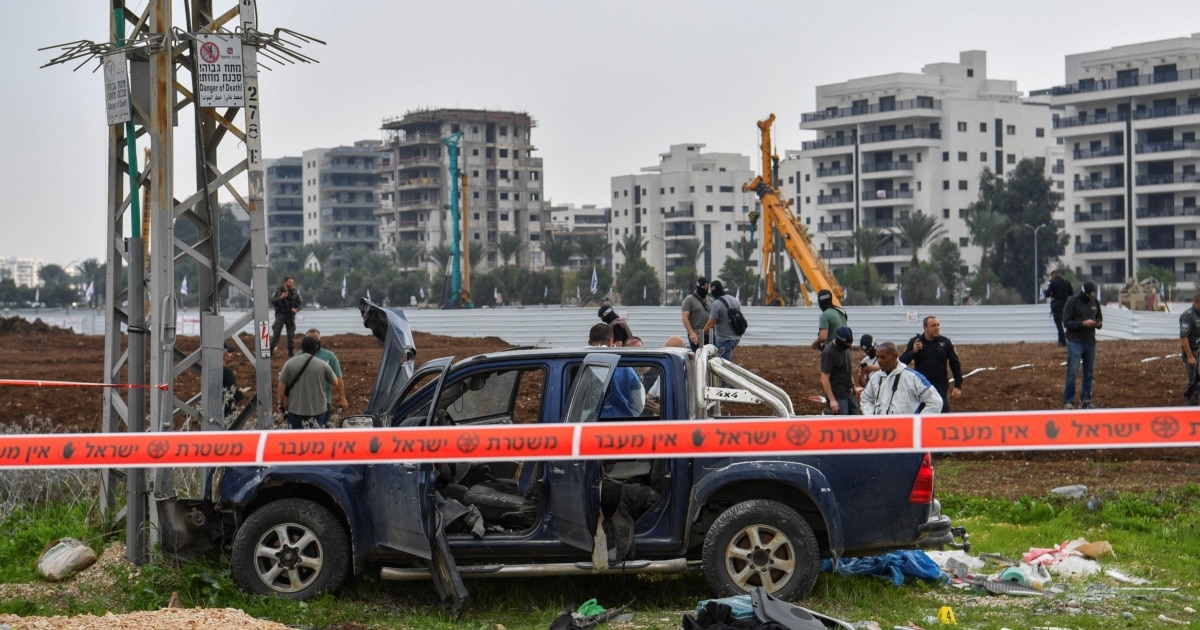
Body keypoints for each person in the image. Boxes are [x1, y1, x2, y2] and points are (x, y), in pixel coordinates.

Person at [276, 335, 342, 429]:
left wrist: (280, 403)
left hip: (296, 409)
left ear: (302, 347)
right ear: (315, 348)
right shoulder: (322, 365)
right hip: (318, 410)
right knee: (316, 439)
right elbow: (336, 382)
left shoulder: (290, 363)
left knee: (295, 438)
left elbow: (281, 385)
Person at [899, 316, 963, 412]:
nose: (937, 328)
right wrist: (913, 351)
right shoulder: (916, 342)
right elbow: (901, 362)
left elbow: (955, 364)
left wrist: (958, 386)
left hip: (940, 384)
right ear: (925, 328)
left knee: (942, 408)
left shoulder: (945, 342)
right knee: (921, 411)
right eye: (933, 325)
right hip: (920, 385)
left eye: (938, 325)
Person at [861, 341, 944, 415]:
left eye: (883, 357)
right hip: (882, 430)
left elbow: (936, 401)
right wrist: (871, 418)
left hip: (905, 430)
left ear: (895, 357)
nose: (879, 361)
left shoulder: (912, 377)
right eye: (877, 357)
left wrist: (918, 422)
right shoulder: (875, 378)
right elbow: (866, 399)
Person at [586, 323, 645, 418]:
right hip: (621, 426)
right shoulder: (626, 367)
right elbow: (638, 405)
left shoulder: (585, 367)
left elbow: (581, 404)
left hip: (593, 425)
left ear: (589, 343)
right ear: (611, 341)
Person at [1062, 281, 1103, 409]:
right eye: (1088, 295)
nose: (1090, 297)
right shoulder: (1072, 302)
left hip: (1090, 342)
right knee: (1072, 373)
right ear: (1083, 292)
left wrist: (1098, 323)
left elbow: (1100, 319)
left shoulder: (1095, 303)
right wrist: (1082, 324)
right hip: (1075, 342)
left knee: (1088, 374)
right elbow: (1067, 322)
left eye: (1092, 295)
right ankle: (1068, 401)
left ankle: (1086, 401)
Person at [305, 328, 350, 414]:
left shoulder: (329, 356)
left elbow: (338, 378)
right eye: (310, 339)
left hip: (323, 402)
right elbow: (287, 380)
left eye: (316, 339)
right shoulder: (298, 357)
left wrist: (342, 397)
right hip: (302, 403)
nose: (313, 342)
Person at [820, 326, 860, 415]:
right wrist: (832, 400)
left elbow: (847, 369)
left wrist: (853, 387)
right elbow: (824, 378)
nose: (849, 346)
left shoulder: (846, 349)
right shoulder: (829, 353)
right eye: (847, 345)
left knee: (856, 417)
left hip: (848, 392)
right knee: (843, 421)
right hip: (837, 395)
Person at [645, 336, 686, 415]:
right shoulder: (664, 373)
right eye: (665, 349)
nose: (665, 353)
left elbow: (687, 408)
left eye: (669, 350)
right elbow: (650, 396)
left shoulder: (687, 377)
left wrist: (663, 410)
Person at [703, 280, 742, 361]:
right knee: (728, 360)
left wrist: (701, 334)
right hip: (735, 338)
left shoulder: (716, 304)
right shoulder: (734, 300)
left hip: (724, 340)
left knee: (723, 364)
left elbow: (711, 324)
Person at [270, 276, 304, 357]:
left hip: (290, 315)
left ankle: (290, 351)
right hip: (281, 314)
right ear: (285, 282)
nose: (291, 284)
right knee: (276, 332)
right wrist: (281, 297)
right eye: (290, 282)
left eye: (292, 282)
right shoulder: (279, 291)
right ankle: (271, 348)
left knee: (291, 333)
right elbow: (272, 300)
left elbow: (301, 304)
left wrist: (296, 309)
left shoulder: (295, 292)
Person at [681, 277, 713, 350]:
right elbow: (685, 317)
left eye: (707, 288)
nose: (705, 289)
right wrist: (691, 333)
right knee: (699, 357)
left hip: (709, 333)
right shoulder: (689, 299)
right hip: (696, 333)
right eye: (703, 287)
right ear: (698, 287)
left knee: (710, 357)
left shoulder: (710, 300)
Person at [1180, 293, 1200, 406]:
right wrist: (1190, 356)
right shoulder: (1188, 316)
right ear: (1197, 303)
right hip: (1193, 354)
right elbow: (1184, 337)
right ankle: (1190, 408)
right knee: (1194, 383)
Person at [1045, 269, 1073, 348]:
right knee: (1067, 323)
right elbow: (1071, 293)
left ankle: (1062, 341)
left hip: (1056, 306)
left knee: (1059, 325)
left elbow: (1047, 294)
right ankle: (1069, 339)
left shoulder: (1052, 282)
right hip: (1066, 306)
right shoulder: (1067, 282)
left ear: (1053, 275)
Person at [222, 343, 245, 419]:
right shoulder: (226, 371)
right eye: (229, 353)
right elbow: (233, 394)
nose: (230, 355)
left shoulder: (210, 370)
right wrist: (240, 393)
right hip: (226, 412)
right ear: (225, 355)